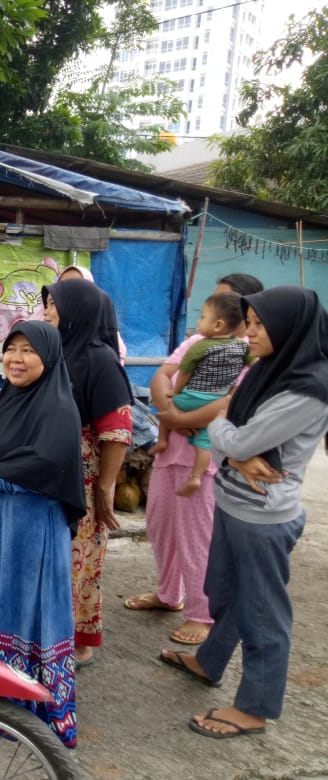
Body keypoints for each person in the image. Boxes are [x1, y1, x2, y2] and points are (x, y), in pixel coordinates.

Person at [158, 286, 328, 739]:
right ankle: (209, 661)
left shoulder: (308, 389)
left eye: (257, 325)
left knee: (263, 613)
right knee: (223, 592)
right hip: (234, 501)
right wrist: (231, 443)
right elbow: (233, 428)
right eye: (247, 323)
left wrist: (223, 434)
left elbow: (235, 436)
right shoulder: (270, 369)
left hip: (264, 517)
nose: (247, 333)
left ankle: (254, 708)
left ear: (290, 327)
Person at [0, 320, 86, 747]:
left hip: (28, 530)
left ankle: (28, 704)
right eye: (11, 348)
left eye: (28, 350)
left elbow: (44, 464)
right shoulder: (12, 398)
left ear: (48, 357)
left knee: (25, 606)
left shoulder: (57, 409)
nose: (15, 358)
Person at [127, 273, 263, 645]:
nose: (218, 310)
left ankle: (202, 613)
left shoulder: (251, 354)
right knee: (159, 524)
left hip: (206, 458)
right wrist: (168, 408)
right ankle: (170, 594)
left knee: (196, 537)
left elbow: (230, 403)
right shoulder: (196, 342)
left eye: (228, 303)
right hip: (171, 450)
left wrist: (178, 418)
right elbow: (163, 375)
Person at [42, 277, 132, 666]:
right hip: (48, 471)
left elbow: (116, 429)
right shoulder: (54, 351)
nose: (46, 312)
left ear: (75, 313)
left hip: (83, 477)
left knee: (78, 558)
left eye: (53, 306)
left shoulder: (100, 359)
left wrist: (106, 486)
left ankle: (78, 637)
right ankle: (49, 631)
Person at [150, 292, 253, 497]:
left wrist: (176, 414)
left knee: (167, 411)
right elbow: (160, 376)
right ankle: (195, 477)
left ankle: (161, 439)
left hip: (193, 403)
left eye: (203, 316)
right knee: (204, 442)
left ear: (219, 324)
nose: (199, 321)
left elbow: (185, 371)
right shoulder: (242, 348)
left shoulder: (201, 345)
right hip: (204, 421)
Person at [56, 265, 127, 365]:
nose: (66, 289)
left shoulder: (105, 356)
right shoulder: (45, 315)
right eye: (62, 284)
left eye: (75, 285)